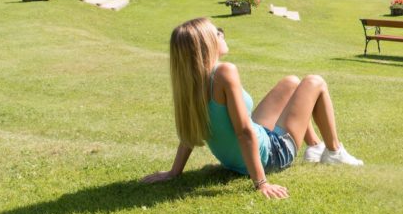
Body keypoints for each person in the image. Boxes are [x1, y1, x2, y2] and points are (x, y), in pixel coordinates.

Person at [141, 17, 362, 199]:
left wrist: (174, 172)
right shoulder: (223, 73)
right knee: (315, 82)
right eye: (217, 33)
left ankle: (314, 146)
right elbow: (244, 131)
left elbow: (191, 131)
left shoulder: (191, 83)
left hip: (238, 157)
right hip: (273, 154)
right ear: (206, 44)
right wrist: (261, 183)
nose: (222, 34)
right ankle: (334, 152)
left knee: (292, 83)